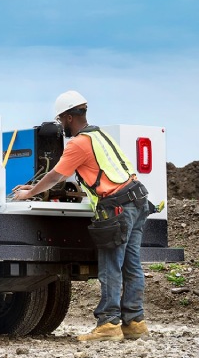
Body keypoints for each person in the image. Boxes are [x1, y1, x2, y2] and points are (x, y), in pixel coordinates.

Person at [12, 90, 151, 342]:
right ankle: (135, 323)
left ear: (68, 117)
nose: (60, 126)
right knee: (132, 266)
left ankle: (109, 324)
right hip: (137, 200)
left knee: (111, 267)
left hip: (117, 207)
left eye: (60, 120)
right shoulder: (100, 135)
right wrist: (34, 186)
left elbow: (56, 175)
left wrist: (29, 193)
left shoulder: (78, 143)